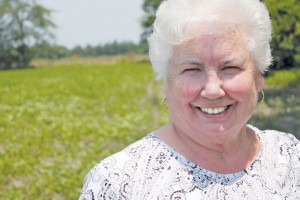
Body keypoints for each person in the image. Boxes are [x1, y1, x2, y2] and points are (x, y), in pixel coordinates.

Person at [79, 0, 300, 199]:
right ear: (167, 82)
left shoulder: (289, 155)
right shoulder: (118, 182)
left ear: (258, 77)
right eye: (192, 69)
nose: (213, 90)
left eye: (230, 67)